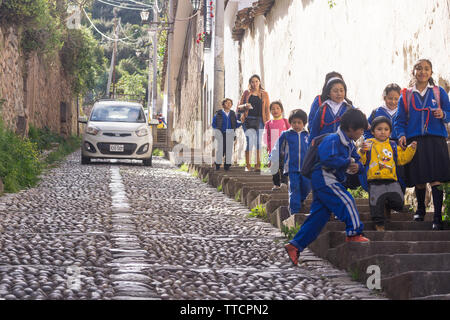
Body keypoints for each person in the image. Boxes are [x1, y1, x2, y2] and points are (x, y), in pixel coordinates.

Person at [285, 108, 370, 266]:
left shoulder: (349, 144)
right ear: (351, 128)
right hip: (324, 177)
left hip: (328, 179)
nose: (361, 133)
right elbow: (326, 158)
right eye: (361, 130)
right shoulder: (333, 139)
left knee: (319, 216)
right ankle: (354, 232)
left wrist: (358, 166)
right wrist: (347, 162)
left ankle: (295, 245)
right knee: (347, 200)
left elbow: (358, 160)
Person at [393, 58, 450, 230]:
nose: (422, 72)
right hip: (415, 140)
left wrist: (444, 114)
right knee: (419, 178)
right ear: (413, 72)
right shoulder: (406, 95)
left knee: (436, 178)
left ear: (431, 73)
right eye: (419, 68)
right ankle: (420, 209)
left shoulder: (439, 92)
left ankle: (438, 217)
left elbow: (449, 111)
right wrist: (401, 134)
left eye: (426, 69)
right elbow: (399, 120)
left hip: (435, 139)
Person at [359, 116, 417, 231]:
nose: (383, 132)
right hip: (375, 180)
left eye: (386, 129)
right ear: (373, 131)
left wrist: (411, 149)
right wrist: (362, 151)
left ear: (390, 132)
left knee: (399, 202)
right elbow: (362, 160)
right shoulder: (369, 143)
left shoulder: (393, 145)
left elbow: (402, 159)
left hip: (392, 180)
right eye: (379, 129)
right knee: (376, 204)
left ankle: (386, 204)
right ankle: (379, 224)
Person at [309, 77, 360, 189]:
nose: (339, 93)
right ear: (328, 93)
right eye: (335, 91)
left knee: (341, 175)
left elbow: (359, 122)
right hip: (325, 148)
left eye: (342, 90)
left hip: (343, 147)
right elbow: (314, 131)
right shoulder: (323, 109)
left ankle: (339, 195)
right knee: (326, 175)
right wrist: (311, 149)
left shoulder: (349, 108)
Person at [362, 84, 407, 192]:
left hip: (396, 147)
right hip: (379, 147)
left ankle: (398, 197)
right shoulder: (376, 112)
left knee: (399, 172)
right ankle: (380, 198)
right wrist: (370, 141)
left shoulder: (403, 112)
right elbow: (367, 129)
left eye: (396, 99)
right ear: (384, 97)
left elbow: (406, 127)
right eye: (390, 98)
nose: (393, 101)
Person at [270, 109, 311, 214]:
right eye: (294, 122)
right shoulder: (286, 134)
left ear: (304, 123)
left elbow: (313, 150)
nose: (296, 125)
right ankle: (294, 212)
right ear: (290, 123)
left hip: (306, 168)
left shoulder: (308, 135)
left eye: (299, 122)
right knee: (294, 188)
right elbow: (277, 147)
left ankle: (301, 199)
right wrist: (272, 158)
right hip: (292, 167)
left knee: (306, 187)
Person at [237, 74, 270, 172]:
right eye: (252, 82)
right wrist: (245, 105)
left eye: (256, 81)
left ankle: (257, 165)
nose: (255, 83)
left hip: (260, 120)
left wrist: (267, 123)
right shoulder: (247, 93)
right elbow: (239, 107)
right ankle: (248, 165)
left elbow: (267, 109)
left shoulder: (264, 94)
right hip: (247, 120)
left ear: (259, 82)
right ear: (250, 83)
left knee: (258, 142)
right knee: (250, 141)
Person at [264, 101, 290, 190]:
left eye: (278, 108)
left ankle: (284, 182)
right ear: (270, 111)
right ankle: (276, 184)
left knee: (283, 166)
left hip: (284, 148)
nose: (275, 110)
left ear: (281, 110)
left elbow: (290, 133)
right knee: (274, 167)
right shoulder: (268, 123)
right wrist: (268, 150)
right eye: (273, 109)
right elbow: (267, 137)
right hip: (273, 149)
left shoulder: (285, 121)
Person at [212, 98, 241, 171]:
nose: (229, 104)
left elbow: (235, 124)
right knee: (221, 149)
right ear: (223, 104)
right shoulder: (219, 113)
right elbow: (214, 123)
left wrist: (241, 122)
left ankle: (227, 165)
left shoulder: (232, 113)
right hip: (221, 133)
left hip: (230, 133)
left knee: (229, 150)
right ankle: (218, 164)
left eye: (230, 103)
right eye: (227, 103)